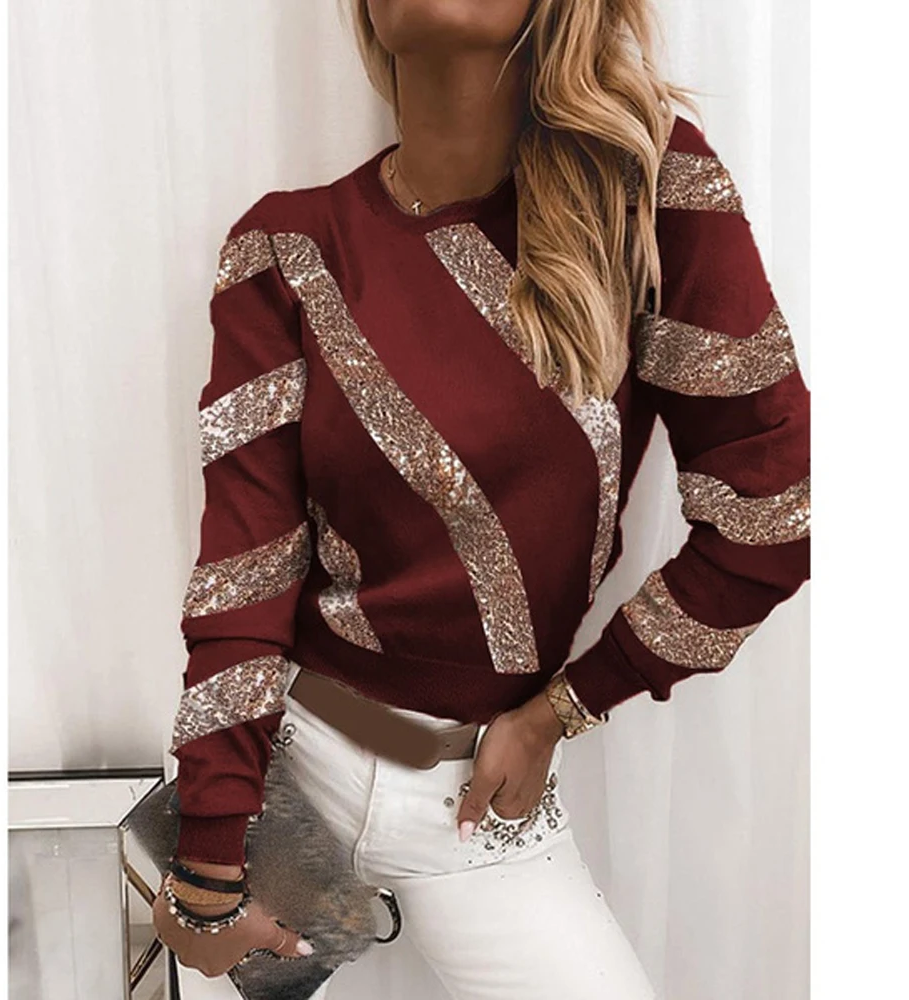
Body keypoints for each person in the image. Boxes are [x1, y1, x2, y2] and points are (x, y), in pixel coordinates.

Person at [152, 0, 811, 996]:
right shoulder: (286, 246)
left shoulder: (647, 193)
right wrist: (209, 856)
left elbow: (774, 516)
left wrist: (563, 709)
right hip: (283, 778)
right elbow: (244, 576)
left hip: (476, 803)